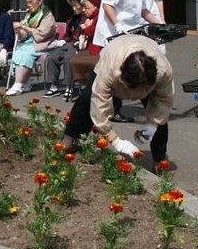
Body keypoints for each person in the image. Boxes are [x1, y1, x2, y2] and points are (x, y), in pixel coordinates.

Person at [60, 34, 173, 169]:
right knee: (87, 99)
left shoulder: (163, 71)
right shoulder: (110, 69)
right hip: (114, 50)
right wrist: (115, 141)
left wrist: (153, 125)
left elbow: (164, 101)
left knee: (161, 118)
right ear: (123, 78)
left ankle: (159, 161)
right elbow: (99, 103)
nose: (136, 94)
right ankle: (69, 139)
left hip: (148, 50)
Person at [93, 0, 163, 123]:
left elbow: (143, 10)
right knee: (113, 70)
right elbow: (108, 4)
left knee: (132, 66)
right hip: (114, 33)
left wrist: (161, 23)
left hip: (130, 33)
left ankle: (143, 105)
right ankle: (110, 109)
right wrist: (117, 25)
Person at [5, 0, 57, 96]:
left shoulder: (47, 15)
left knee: (24, 54)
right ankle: (26, 82)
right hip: (30, 42)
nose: (28, 5)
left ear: (39, 2)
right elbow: (24, 34)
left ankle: (18, 84)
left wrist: (24, 27)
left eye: (31, 2)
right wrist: (19, 31)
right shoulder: (29, 15)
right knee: (19, 51)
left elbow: (43, 34)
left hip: (43, 43)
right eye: (27, 2)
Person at [42, 0, 87, 100]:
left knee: (68, 59)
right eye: (73, 6)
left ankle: (69, 87)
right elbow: (67, 35)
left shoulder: (87, 19)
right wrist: (61, 41)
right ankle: (53, 86)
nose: (74, 8)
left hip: (80, 45)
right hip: (69, 44)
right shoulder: (72, 20)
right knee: (52, 57)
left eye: (76, 6)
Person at [69, 0, 102, 99]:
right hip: (89, 47)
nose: (84, 10)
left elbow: (93, 32)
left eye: (86, 7)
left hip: (99, 49)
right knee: (74, 60)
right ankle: (84, 88)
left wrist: (86, 27)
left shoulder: (99, 16)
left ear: (95, 6)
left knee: (81, 61)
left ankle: (89, 89)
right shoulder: (88, 17)